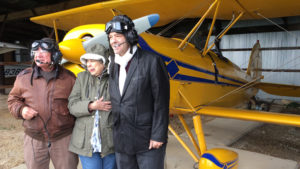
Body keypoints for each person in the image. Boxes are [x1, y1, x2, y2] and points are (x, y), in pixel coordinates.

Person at [105, 15, 170, 169]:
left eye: (117, 36)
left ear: (129, 36)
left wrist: (158, 135)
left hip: (148, 140)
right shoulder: (113, 64)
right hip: (122, 139)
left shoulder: (152, 61)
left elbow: (161, 101)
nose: (113, 41)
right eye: (110, 37)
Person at [7, 38, 78, 169]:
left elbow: (78, 104)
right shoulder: (23, 77)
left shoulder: (69, 78)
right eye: (35, 51)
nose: (38, 54)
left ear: (55, 55)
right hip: (34, 139)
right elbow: (12, 100)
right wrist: (21, 110)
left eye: (43, 51)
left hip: (63, 138)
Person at [68, 44, 117, 169]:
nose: (89, 64)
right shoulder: (81, 78)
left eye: (93, 61)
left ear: (104, 62)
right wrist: (91, 105)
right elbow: (72, 105)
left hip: (110, 140)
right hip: (86, 141)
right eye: (87, 61)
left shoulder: (115, 78)